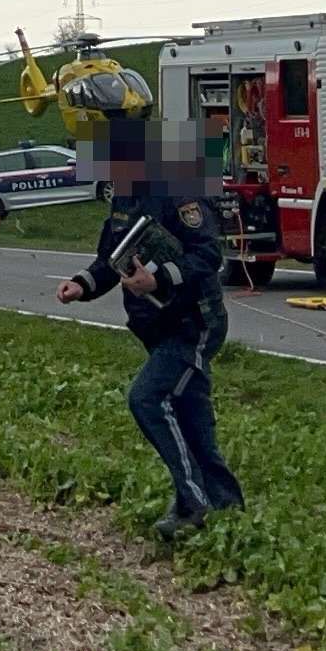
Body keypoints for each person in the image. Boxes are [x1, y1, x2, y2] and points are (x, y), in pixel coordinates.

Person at [58, 183, 244, 539]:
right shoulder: (125, 196)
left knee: (148, 398)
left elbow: (207, 255)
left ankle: (195, 503)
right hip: (157, 328)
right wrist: (82, 285)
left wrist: (157, 279)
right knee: (191, 414)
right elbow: (112, 260)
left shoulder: (178, 191)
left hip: (194, 324)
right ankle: (226, 507)